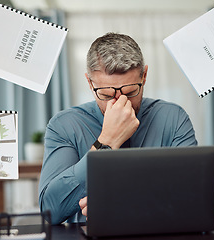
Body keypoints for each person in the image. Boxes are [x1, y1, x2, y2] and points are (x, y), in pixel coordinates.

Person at [38, 32, 197, 225]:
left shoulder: (173, 118)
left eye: (130, 92)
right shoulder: (64, 125)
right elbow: (49, 212)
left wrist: (121, 205)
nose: (120, 102)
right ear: (90, 83)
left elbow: (192, 198)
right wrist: (107, 142)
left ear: (144, 76)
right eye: (105, 94)